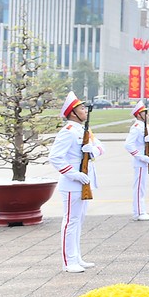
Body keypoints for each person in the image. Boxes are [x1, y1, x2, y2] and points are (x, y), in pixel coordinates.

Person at [51, 92, 103, 273]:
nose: (85, 111)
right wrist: (74, 174)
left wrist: (92, 151)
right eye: (81, 108)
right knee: (70, 222)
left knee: (78, 221)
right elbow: (55, 158)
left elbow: (100, 147)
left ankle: (77, 257)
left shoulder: (83, 130)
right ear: (73, 113)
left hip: (84, 182)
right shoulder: (67, 132)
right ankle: (68, 261)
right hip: (73, 183)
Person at [124, 101, 149, 221]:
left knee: (142, 187)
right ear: (138, 115)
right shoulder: (136, 127)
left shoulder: (146, 126)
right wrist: (140, 156)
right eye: (144, 113)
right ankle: (138, 212)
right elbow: (128, 145)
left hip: (147, 159)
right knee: (138, 187)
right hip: (140, 161)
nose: (147, 115)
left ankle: (142, 210)